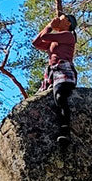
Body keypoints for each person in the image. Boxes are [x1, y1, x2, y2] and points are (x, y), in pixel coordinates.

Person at [32, 13, 78, 145]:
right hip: (52, 73)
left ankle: (65, 131)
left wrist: (50, 26)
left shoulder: (68, 35)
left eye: (62, 18)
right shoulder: (54, 41)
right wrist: (49, 26)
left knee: (60, 96)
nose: (58, 18)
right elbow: (36, 43)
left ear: (68, 23)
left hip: (64, 69)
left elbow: (44, 36)